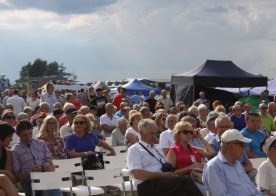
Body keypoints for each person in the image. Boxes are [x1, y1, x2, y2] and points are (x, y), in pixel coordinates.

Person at [127, 118, 203, 196]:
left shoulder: (157, 148)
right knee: (185, 181)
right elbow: (138, 174)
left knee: (185, 190)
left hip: (163, 182)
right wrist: (162, 175)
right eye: (151, 133)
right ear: (141, 133)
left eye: (156, 133)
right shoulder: (134, 150)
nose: (154, 136)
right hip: (147, 186)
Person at [203, 129, 260, 195]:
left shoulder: (237, 163)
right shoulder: (214, 166)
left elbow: (251, 188)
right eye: (242, 145)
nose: (243, 149)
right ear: (232, 146)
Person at [11, 120, 59, 196]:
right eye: (24, 135)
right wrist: (31, 172)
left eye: (30, 134)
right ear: (18, 134)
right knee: (49, 183)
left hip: (46, 177)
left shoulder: (41, 144)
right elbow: (17, 177)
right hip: (29, 182)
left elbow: (52, 166)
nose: (28, 137)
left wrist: (48, 167)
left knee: (50, 181)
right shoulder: (15, 151)